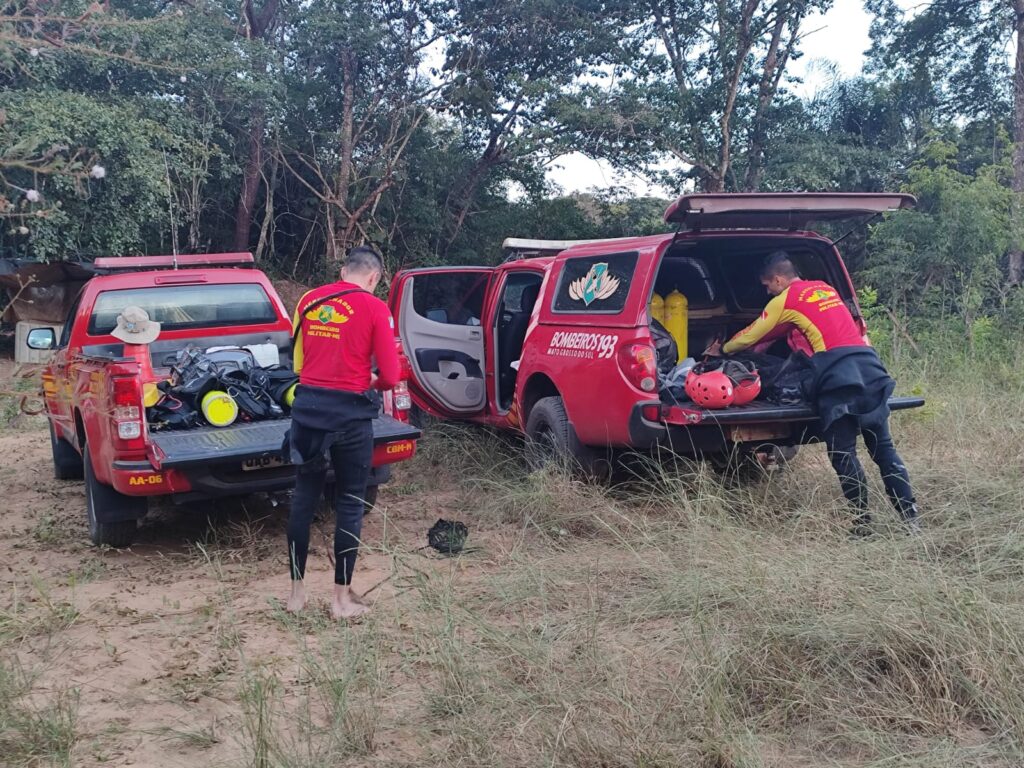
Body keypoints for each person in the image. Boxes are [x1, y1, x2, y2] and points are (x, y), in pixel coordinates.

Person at [706, 251, 919, 535]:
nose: (766, 290)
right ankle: (910, 520)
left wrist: (722, 350)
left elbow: (753, 333)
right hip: (870, 368)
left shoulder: (785, 299)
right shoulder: (825, 288)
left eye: (768, 285)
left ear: (779, 279)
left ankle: (863, 524)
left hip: (837, 377)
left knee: (843, 454)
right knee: (883, 450)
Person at [285, 245, 400, 618]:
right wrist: (371, 380)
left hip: (308, 412)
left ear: (343, 270)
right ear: (373, 277)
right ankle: (340, 600)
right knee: (350, 501)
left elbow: (299, 361)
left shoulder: (309, 301)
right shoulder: (375, 308)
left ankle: (296, 594)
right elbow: (391, 376)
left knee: (304, 497)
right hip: (350, 417)